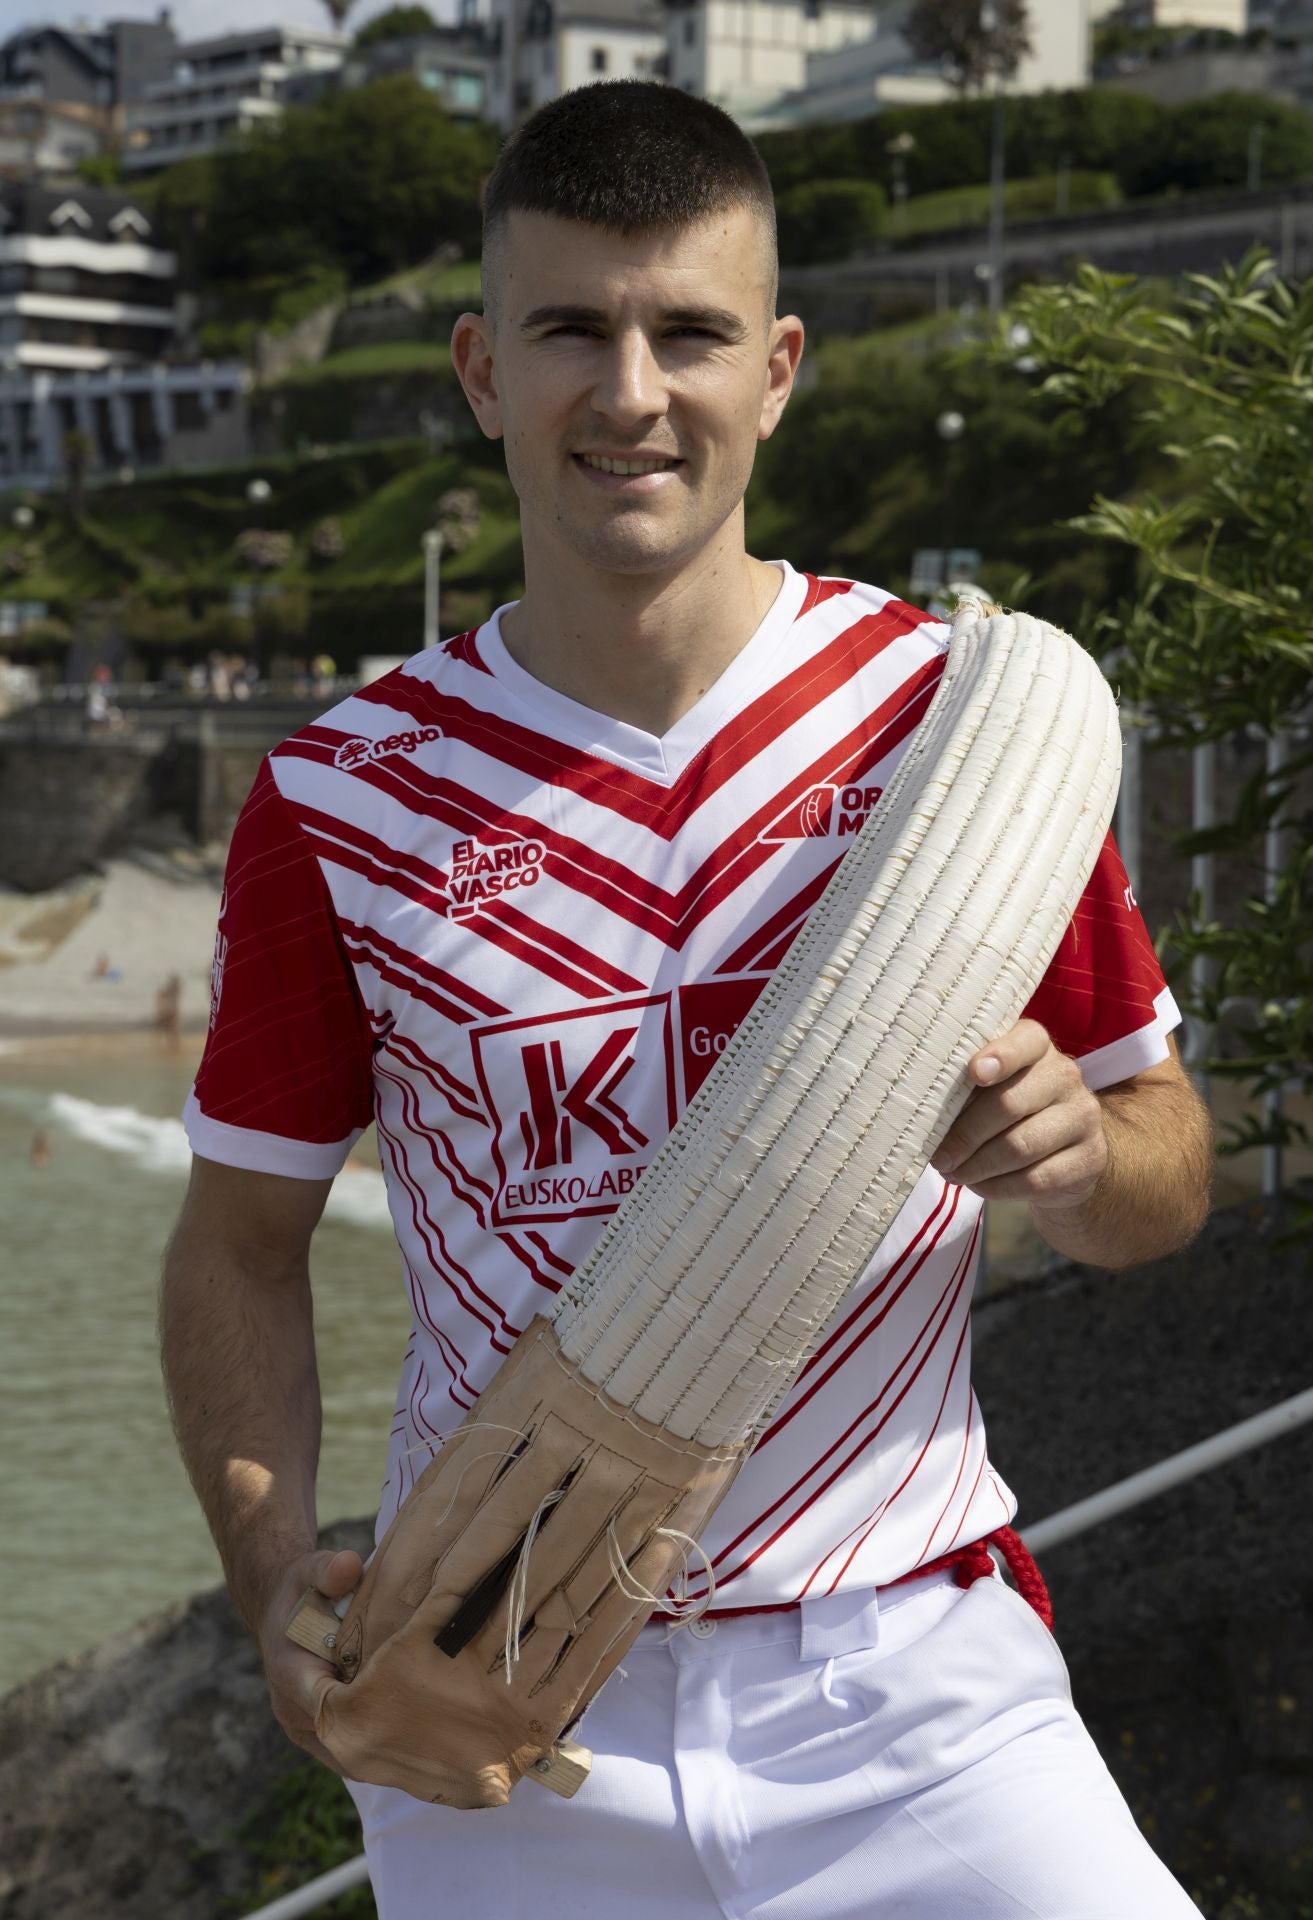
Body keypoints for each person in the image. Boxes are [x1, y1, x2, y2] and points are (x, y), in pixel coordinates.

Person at [161, 81, 1213, 1920]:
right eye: (572, 329)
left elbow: (1164, 1173)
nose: (631, 392)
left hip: (910, 1685)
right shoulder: (339, 799)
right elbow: (238, 1245)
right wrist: (270, 1586)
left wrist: (1075, 1158)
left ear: (777, 368)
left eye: (691, 334)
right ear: (483, 371)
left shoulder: (949, 736)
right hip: (500, 1701)